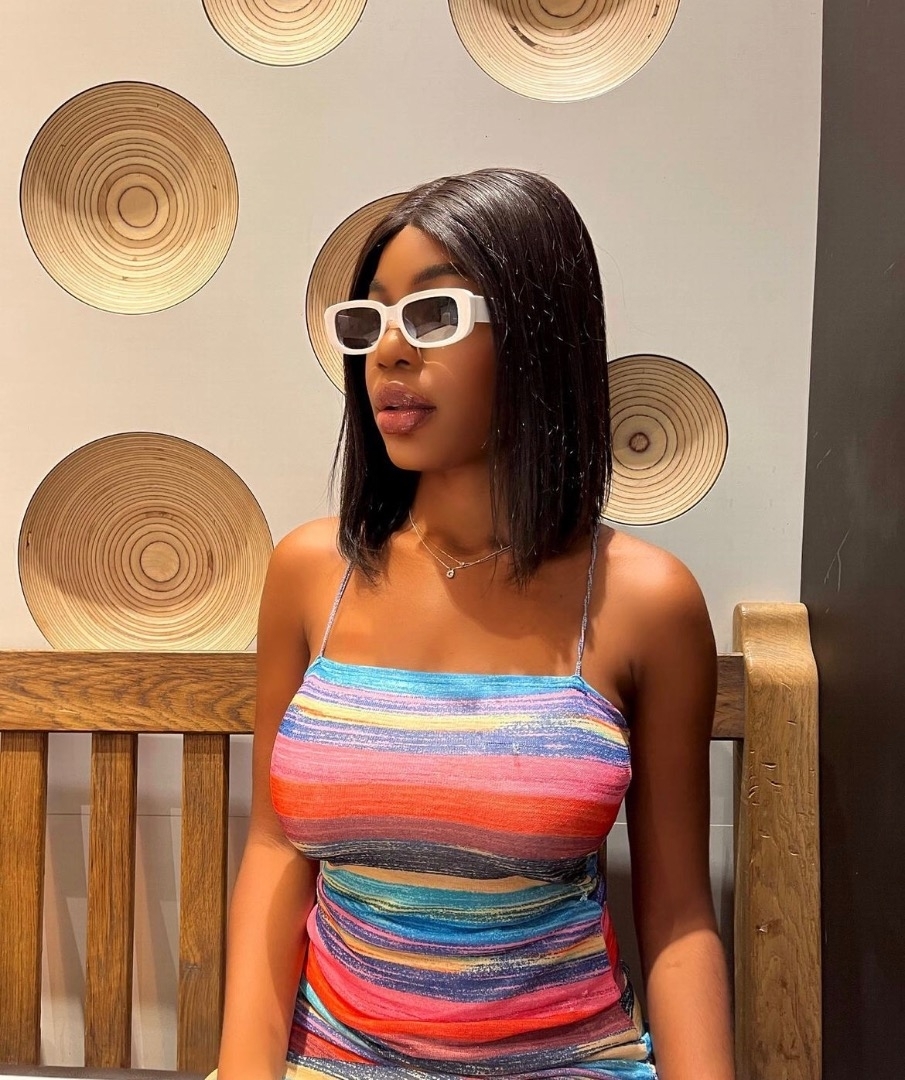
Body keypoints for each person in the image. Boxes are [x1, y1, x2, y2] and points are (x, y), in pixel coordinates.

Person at [217, 168, 735, 1080]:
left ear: (538, 334)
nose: (387, 352)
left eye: (432, 315)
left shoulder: (642, 603)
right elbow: (273, 848)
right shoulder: (310, 573)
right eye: (369, 321)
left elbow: (678, 917)